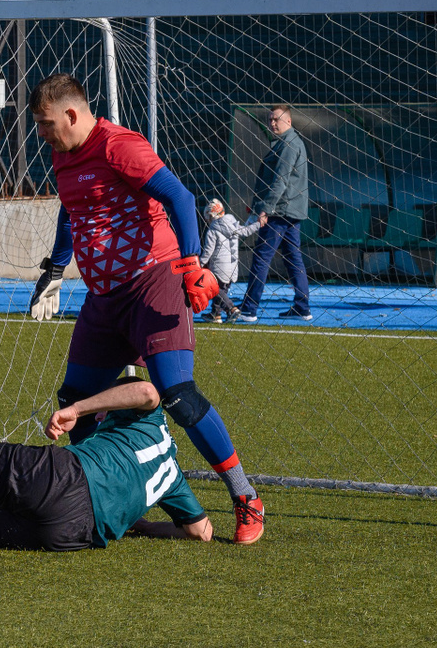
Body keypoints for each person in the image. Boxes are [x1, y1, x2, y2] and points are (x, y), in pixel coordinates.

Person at [23, 73, 265, 544]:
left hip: (153, 282)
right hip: (104, 297)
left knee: (177, 394)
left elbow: (180, 197)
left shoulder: (119, 146)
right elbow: (71, 209)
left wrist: (191, 264)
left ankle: (245, 496)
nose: (43, 134)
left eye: (46, 124)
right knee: (74, 402)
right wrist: (55, 267)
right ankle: (105, 493)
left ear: (71, 114)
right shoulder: (62, 153)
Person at [0, 378, 213, 553]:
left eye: (106, 410)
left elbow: (147, 391)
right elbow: (201, 532)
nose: (101, 416)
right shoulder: (174, 478)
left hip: (63, 477)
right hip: (71, 534)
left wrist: (77, 409)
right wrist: (144, 526)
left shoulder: (149, 418)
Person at [237, 103, 312, 323]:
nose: (272, 123)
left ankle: (249, 309)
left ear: (288, 120)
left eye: (276, 119)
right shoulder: (289, 142)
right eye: (269, 119)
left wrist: (265, 208)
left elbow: (280, 181)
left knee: (261, 258)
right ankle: (302, 308)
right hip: (290, 211)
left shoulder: (289, 145)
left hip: (279, 212)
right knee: (293, 259)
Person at [198, 199, 262, 323]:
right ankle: (215, 314)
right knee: (222, 291)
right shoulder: (233, 224)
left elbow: (208, 251)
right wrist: (258, 224)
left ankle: (231, 309)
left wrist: (199, 264)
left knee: (214, 289)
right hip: (232, 267)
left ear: (210, 217)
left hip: (218, 267)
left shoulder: (212, 230)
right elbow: (246, 231)